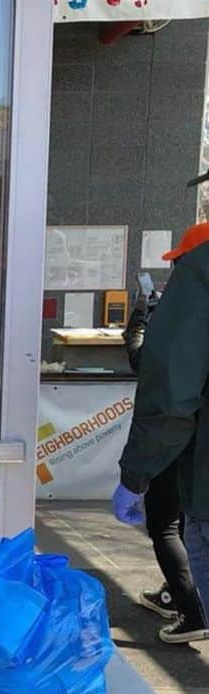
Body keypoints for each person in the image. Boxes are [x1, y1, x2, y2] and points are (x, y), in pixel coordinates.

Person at [114, 222, 209, 645]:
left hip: (187, 453)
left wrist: (134, 475)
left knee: (167, 524)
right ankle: (183, 600)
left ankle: (192, 610)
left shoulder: (195, 287)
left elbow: (168, 387)